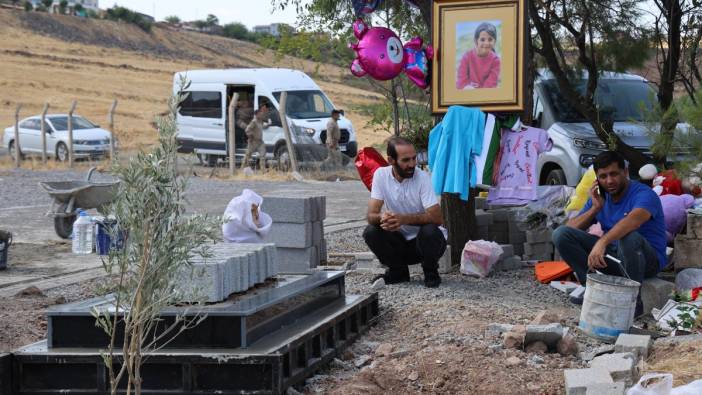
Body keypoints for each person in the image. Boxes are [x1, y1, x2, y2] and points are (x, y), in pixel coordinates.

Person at [552, 151, 667, 316]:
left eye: (614, 174)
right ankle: (591, 289)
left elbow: (633, 221)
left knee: (628, 236)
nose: (609, 181)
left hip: (646, 261)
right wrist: (595, 208)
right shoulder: (601, 198)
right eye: (603, 176)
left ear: (625, 172)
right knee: (561, 234)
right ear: (597, 179)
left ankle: (633, 302)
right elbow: (570, 228)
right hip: (615, 259)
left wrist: (602, 242)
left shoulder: (643, 194)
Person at [363, 137, 447, 288]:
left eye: (414, 158)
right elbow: (370, 216)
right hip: (400, 243)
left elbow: (437, 218)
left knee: (430, 231)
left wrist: (403, 219)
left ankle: (431, 272)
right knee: (371, 231)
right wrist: (384, 217)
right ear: (391, 160)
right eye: (406, 160)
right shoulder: (381, 175)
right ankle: (398, 272)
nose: (412, 164)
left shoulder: (422, 177)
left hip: (425, 245)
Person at [455, 22, 501, 89]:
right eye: (482, 40)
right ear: (476, 41)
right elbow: (461, 82)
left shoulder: (496, 61)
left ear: (494, 42)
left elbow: (490, 84)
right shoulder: (466, 57)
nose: (486, 43)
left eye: (490, 39)